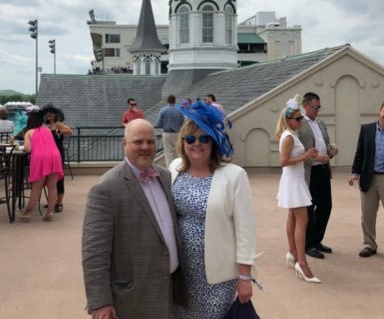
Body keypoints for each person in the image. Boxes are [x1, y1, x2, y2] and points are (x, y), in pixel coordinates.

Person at [82, 118, 187, 319]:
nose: (145, 147)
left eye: (150, 141)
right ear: (124, 144)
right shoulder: (106, 188)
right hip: (132, 298)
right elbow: (94, 253)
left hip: (168, 291)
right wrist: (100, 302)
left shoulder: (165, 177)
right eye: (138, 142)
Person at [170, 101, 260, 318]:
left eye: (204, 138)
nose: (196, 144)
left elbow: (246, 230)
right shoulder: (174, 168)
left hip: (217, 277)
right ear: (183, 142)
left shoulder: (234, 175)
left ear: (214, 142)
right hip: (181, 274)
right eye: (190, 138)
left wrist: (245, 278)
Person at [275, 97, 320, 283]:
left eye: (301, 118)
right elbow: (283, 162)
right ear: (288, 120)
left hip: (294, 181)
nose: (301, 121)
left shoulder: (290, 135)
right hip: (293, 181)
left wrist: (308, 156)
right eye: (298, 118)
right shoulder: (289, 137)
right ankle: (302, 263)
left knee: (293, 217)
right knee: (303, 219)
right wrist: (306, 156)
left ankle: (292, 253)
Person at [299, 92, 339, 259]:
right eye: (316, 107)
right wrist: (316, 157)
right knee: (309, 209)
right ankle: (308, 244)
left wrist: (331, 151)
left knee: (326, 206)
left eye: (319, 107)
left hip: (322, 169)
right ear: (306, 106)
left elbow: (325, 144)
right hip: (309, 172)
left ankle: (316, 240)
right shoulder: (299, 125)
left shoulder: (320, 123)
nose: (318, 111)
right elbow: (299, 151)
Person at [349, 103, 384, 258]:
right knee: (368, 214)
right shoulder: (367, 129)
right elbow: (360, 153)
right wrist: (354, 173)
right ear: (380, 111)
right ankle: (370, 245)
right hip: (369, 178)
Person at [17, 106, 63, 222]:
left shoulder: (29, 132)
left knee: (36, 188)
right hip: (55, 157)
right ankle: (50, 213)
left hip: (41, 158)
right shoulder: (47, 130)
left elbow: (27, 149)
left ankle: (28, 213)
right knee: (52, 187)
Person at [42, 104, 73, 213]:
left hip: (58, 153)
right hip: (48, 154)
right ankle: (52, 201)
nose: (48, 114)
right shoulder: (45, 126)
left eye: (51, 113)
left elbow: (69, 131)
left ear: (55, 115)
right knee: (50, 178)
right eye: (47, 113)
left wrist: (59, 132)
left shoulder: (58, 124)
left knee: (59, 179)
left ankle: (59, 203)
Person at [155, 95, 184, 167]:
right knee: (179, 152)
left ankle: (170, 169)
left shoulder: (163, 110)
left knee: (168, 154)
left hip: (166, 133)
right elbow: (183, 123)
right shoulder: (179, 110)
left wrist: (165, 124)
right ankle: (180, 167)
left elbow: (158, 124)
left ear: (167, 101)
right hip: (177, 133)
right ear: (175, 101)